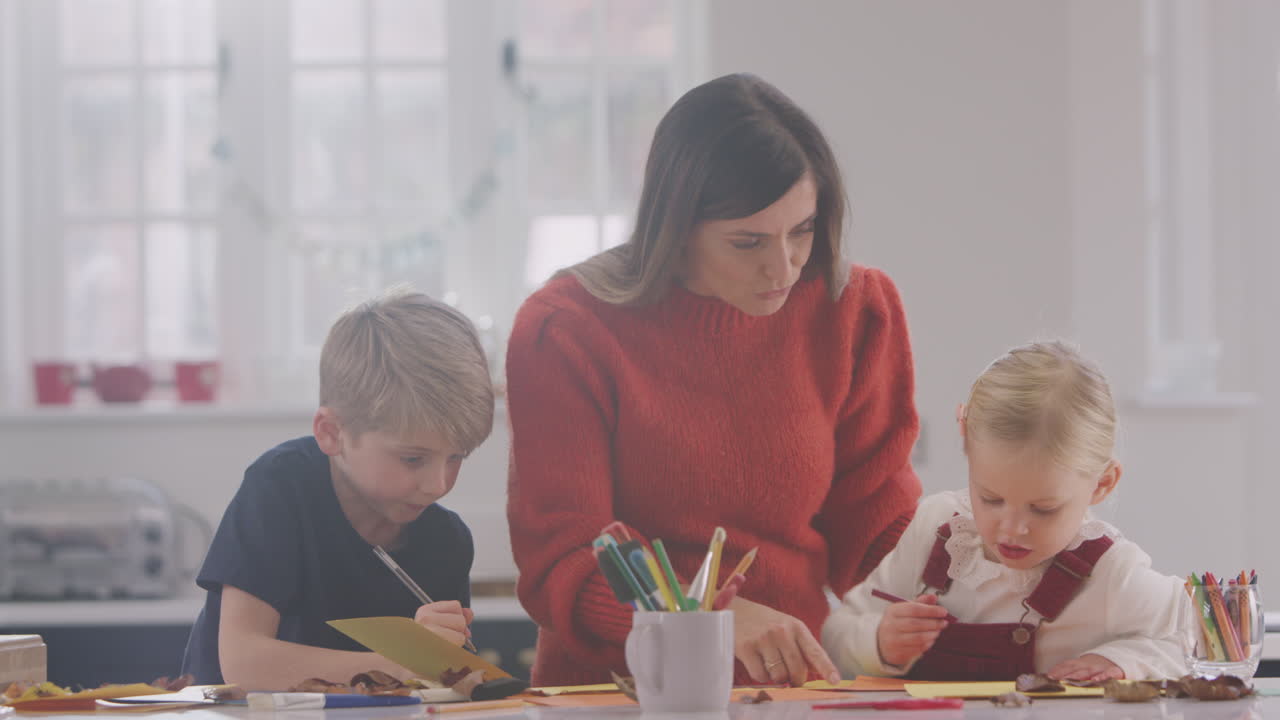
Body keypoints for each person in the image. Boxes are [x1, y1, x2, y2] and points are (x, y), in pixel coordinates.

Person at [505, 73, 923, 688]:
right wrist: (702, 620)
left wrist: (975, 572)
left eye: (802, 230)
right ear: (674, 226)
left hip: (793, 689)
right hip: (616, 693)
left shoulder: (855, 309)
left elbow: (875, 524)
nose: (782, 267)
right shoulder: (566, 328)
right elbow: (562, 563)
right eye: (747, 241)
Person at [181, 288, 495, 689]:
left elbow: (445, 690)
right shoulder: (280, 487)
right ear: (331, 434)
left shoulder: (447, 540)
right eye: (413, 459)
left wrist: (438, 657)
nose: (438, 485)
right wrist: (403, 664)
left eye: (457, 457)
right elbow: (244, 663)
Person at [823, 340, 1188, 682]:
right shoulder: (937, 530)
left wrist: (1124, 660)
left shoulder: (1112, 574)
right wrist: (878, 643)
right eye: (990, 499)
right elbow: (835, 635)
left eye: (1043, 509)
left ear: (1102, 484)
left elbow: (1205, 638)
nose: (1011, 529)